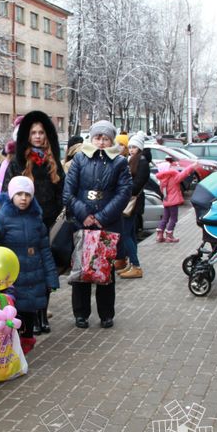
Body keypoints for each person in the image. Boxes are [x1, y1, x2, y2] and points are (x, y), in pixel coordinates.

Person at [63, 120, 133, 329]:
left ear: (111, 140)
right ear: (91, 138)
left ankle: (106, 314)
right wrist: (83, 214)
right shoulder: (79, 160)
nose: (101, 142)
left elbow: (124, 193)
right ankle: (81, 313)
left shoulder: (120, 163)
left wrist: (102, 216)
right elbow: (68, 192)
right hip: (81, 222)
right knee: (81, 269)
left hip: (107, 223)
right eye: (97, 137)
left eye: (105, 138)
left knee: (105, 270)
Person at [0, 176, 60, 353]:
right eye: (19, 194)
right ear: (11, 195)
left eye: (27, 194)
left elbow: (45, 250)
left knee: (29, 316)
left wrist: (51, 278)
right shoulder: (0, 218)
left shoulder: (36, 219)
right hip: (12, 279)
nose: (23, 198)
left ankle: (24, 348)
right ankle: (10, 350)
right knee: (13, 316)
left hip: (34, 275)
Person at [118, 134, 150, 279]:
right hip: (130, 202)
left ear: (140, 148)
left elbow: (137, 184)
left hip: (132, 203)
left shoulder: (141, 161)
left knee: (125, 234)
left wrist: (123, 191)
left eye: (134, 147)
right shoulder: (131, 160)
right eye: (130, 147)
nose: (131, 150)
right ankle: (132, 264)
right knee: (130, 234)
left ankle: (136, 266)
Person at [155, 157, 189, 243]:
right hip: (173, 202)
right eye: (169, 167)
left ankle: (159, 234)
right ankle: (169, 235)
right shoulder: (173, 178)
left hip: (166, 201)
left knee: (165, 218)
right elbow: (183, 174)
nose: (171, 168)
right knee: (174, 218)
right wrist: (192, 167)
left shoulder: (162, 180)